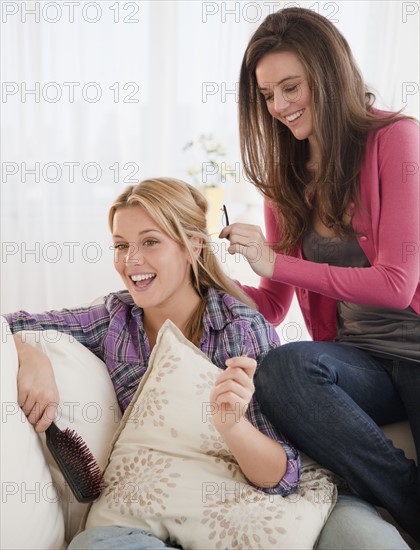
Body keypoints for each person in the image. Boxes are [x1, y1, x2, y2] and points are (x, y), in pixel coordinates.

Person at [4, 177, 300, 549]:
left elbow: (284, 476)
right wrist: (29, 352)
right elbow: (9, 322)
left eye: (150, 242)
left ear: (192, 247)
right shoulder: (114, 320)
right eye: (121, 245)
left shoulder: (239, 329)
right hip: (144, 518)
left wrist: (233, 426)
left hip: (231, 511)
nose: (132, 260)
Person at [218, 6, 420, 546]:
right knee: (283, 368)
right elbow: (273, 305)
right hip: (361, 360)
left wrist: (277, 260)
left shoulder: (396, 139)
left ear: (327, 78)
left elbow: (397, 283)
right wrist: (211, 275)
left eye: (291, 87)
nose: (280, 107)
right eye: (267, 95)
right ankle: (410, 498)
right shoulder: (285, 182)